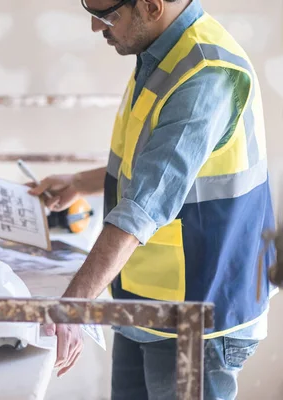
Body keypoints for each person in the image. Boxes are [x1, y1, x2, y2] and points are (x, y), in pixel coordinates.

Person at [27, 0, 277, 398]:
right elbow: (153, 166)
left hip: (199, 315)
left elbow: (143, 207)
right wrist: (80, 181)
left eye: (107, 16)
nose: (96, 27)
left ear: (151, 6)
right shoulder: (160, 53)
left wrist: (72, 306)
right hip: (148, 302)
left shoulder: (204, 75)